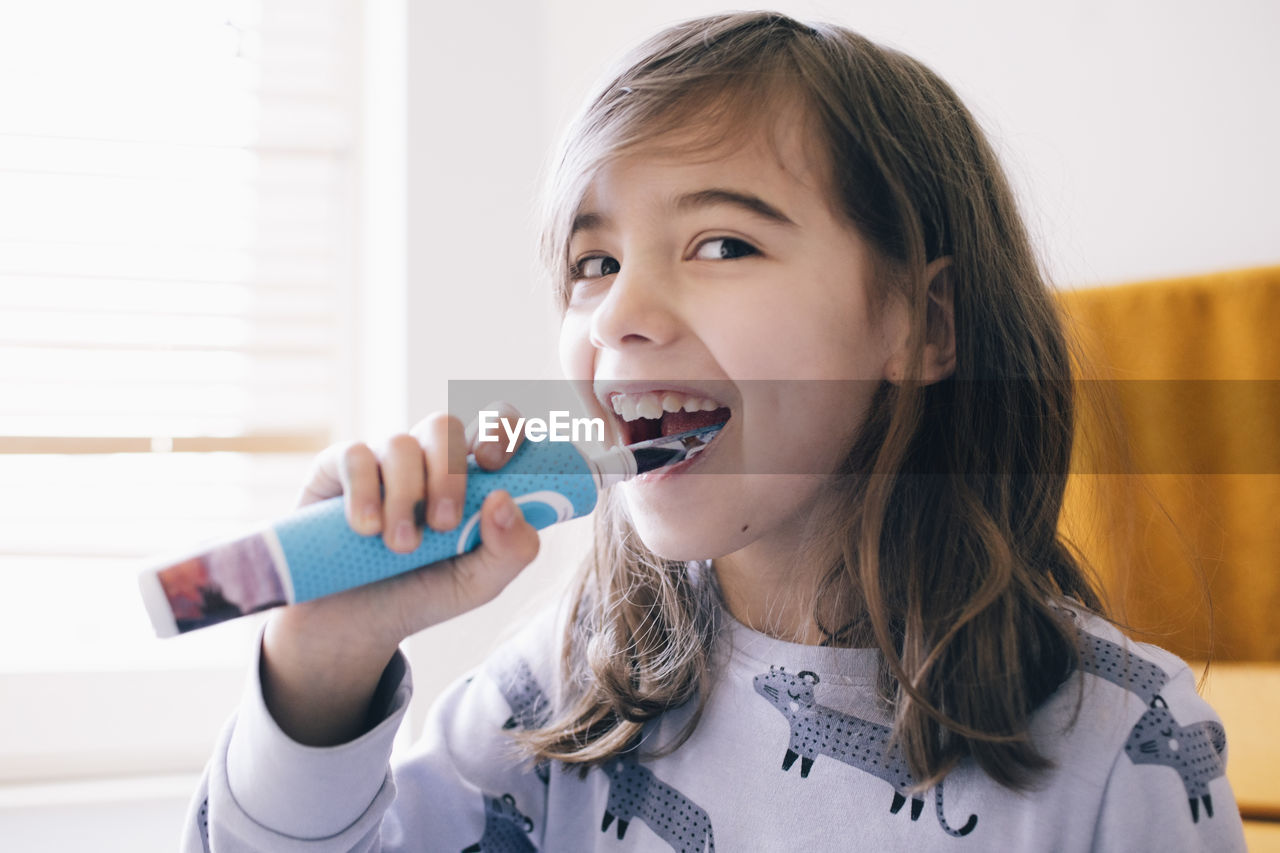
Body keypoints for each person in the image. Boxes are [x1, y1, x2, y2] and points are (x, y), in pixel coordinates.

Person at [183, 12, 1246, 851]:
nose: (617, 312)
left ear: (921, 325)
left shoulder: (1124, 744)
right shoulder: (566, 685)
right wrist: (320, 662)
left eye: (722, 242)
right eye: (592, 263)